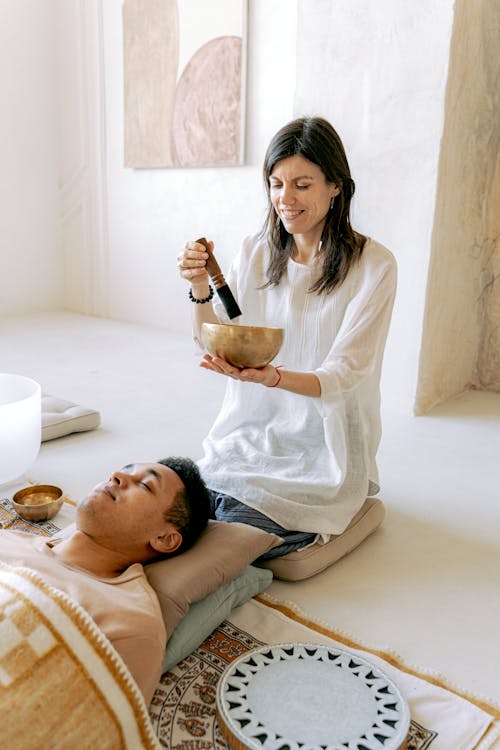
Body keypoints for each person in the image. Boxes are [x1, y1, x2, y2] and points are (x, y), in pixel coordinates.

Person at [177, 116, 397, 559]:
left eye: (301, 184)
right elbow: (214, 337)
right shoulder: (256, 250)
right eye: (275, 184)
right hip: (250, 431)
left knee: (231, 522)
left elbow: (341, 375)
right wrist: (200, 286)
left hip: (324, 443)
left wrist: (271, 379)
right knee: (178, 496)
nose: (285, 199)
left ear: (336, 185)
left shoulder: (374, 265)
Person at [0, 457, 210, 704]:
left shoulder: (130, 623)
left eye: (145, 485)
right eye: (124, 469)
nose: (117, 476)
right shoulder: (9, 539)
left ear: (164, 538)